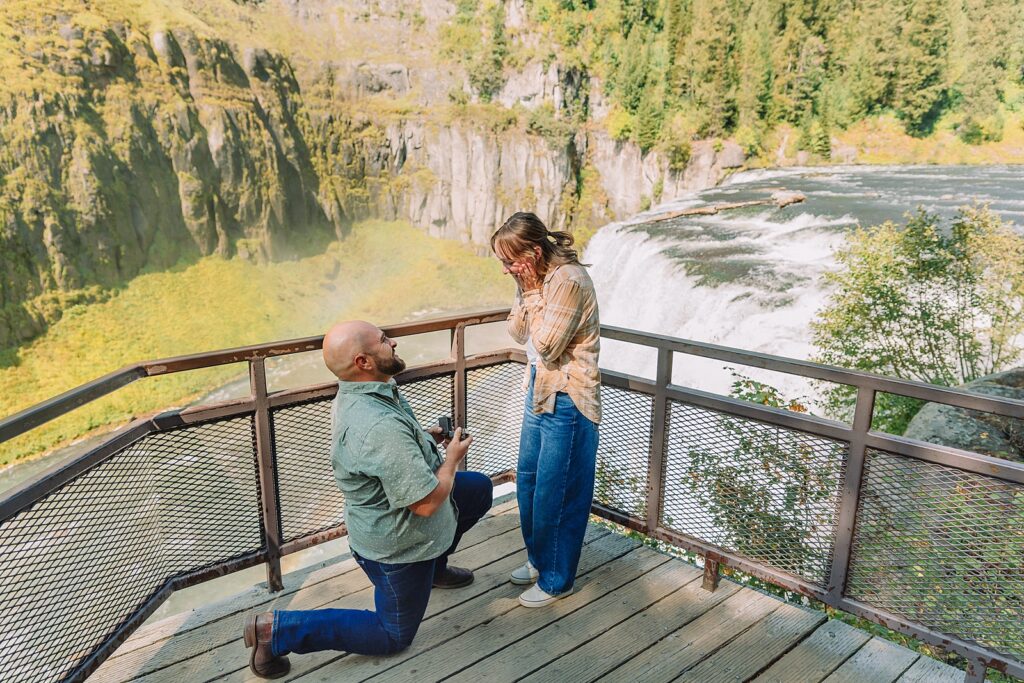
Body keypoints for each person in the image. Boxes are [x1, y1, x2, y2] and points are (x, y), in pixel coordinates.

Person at [242, 320, 493, 678]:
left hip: (398, 523)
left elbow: (390, 453)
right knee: (392, 635)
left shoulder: (365, 389)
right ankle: (275, 630)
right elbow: (424, 504)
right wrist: (451, 458)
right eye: (384, 340)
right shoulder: (377, 426)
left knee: (478, 490)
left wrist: (428, 437)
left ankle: (434, 569)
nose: (393, 342)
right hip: (398, 549)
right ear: (363, 361)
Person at [491, 211, 601, 608]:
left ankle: (558, 579)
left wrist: (532, 294)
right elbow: (518, 332)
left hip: (569, 396)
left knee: (558, 491)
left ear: (534, 252)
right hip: (539, 389)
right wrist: (528, 289)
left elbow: (549, 345)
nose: (506, 270)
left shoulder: (568, 281)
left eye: (510, 261)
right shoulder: (534, 280)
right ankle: (540, 560)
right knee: (529, 481)